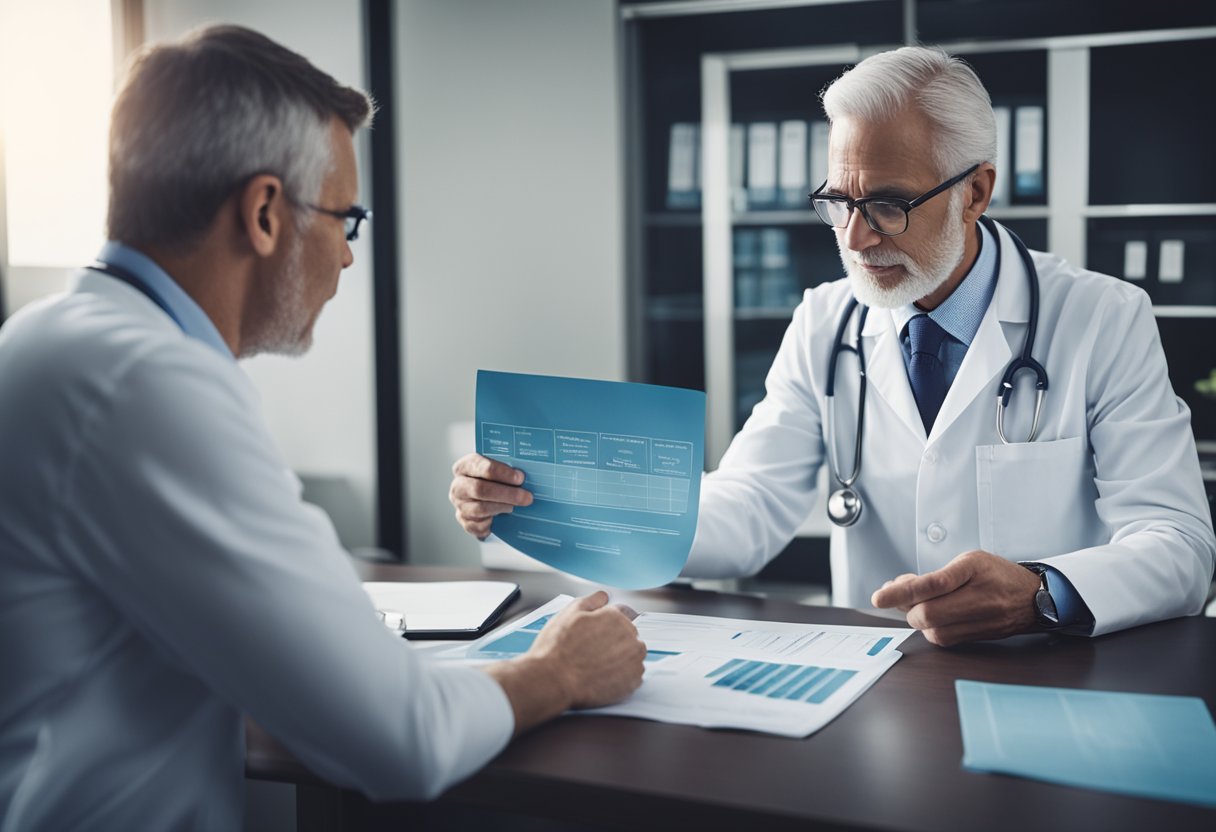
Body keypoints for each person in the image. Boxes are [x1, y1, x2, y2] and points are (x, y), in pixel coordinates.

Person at [0, 25, 645, 831]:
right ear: (264, 212)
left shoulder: (46, 339)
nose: (345, 257)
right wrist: (559, 672)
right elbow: (400, 739)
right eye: (347, 218)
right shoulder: (146, 383)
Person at [450, 46, 1215, 648]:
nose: (854, 238)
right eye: (838, 202)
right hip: (879, 676)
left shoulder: (1102, 319)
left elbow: (1180, 545)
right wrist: (547, 495)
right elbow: (749, 506)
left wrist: (1042, 593)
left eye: (885, 204)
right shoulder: (827, 320)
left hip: (1056, 669)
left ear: (976, 192)